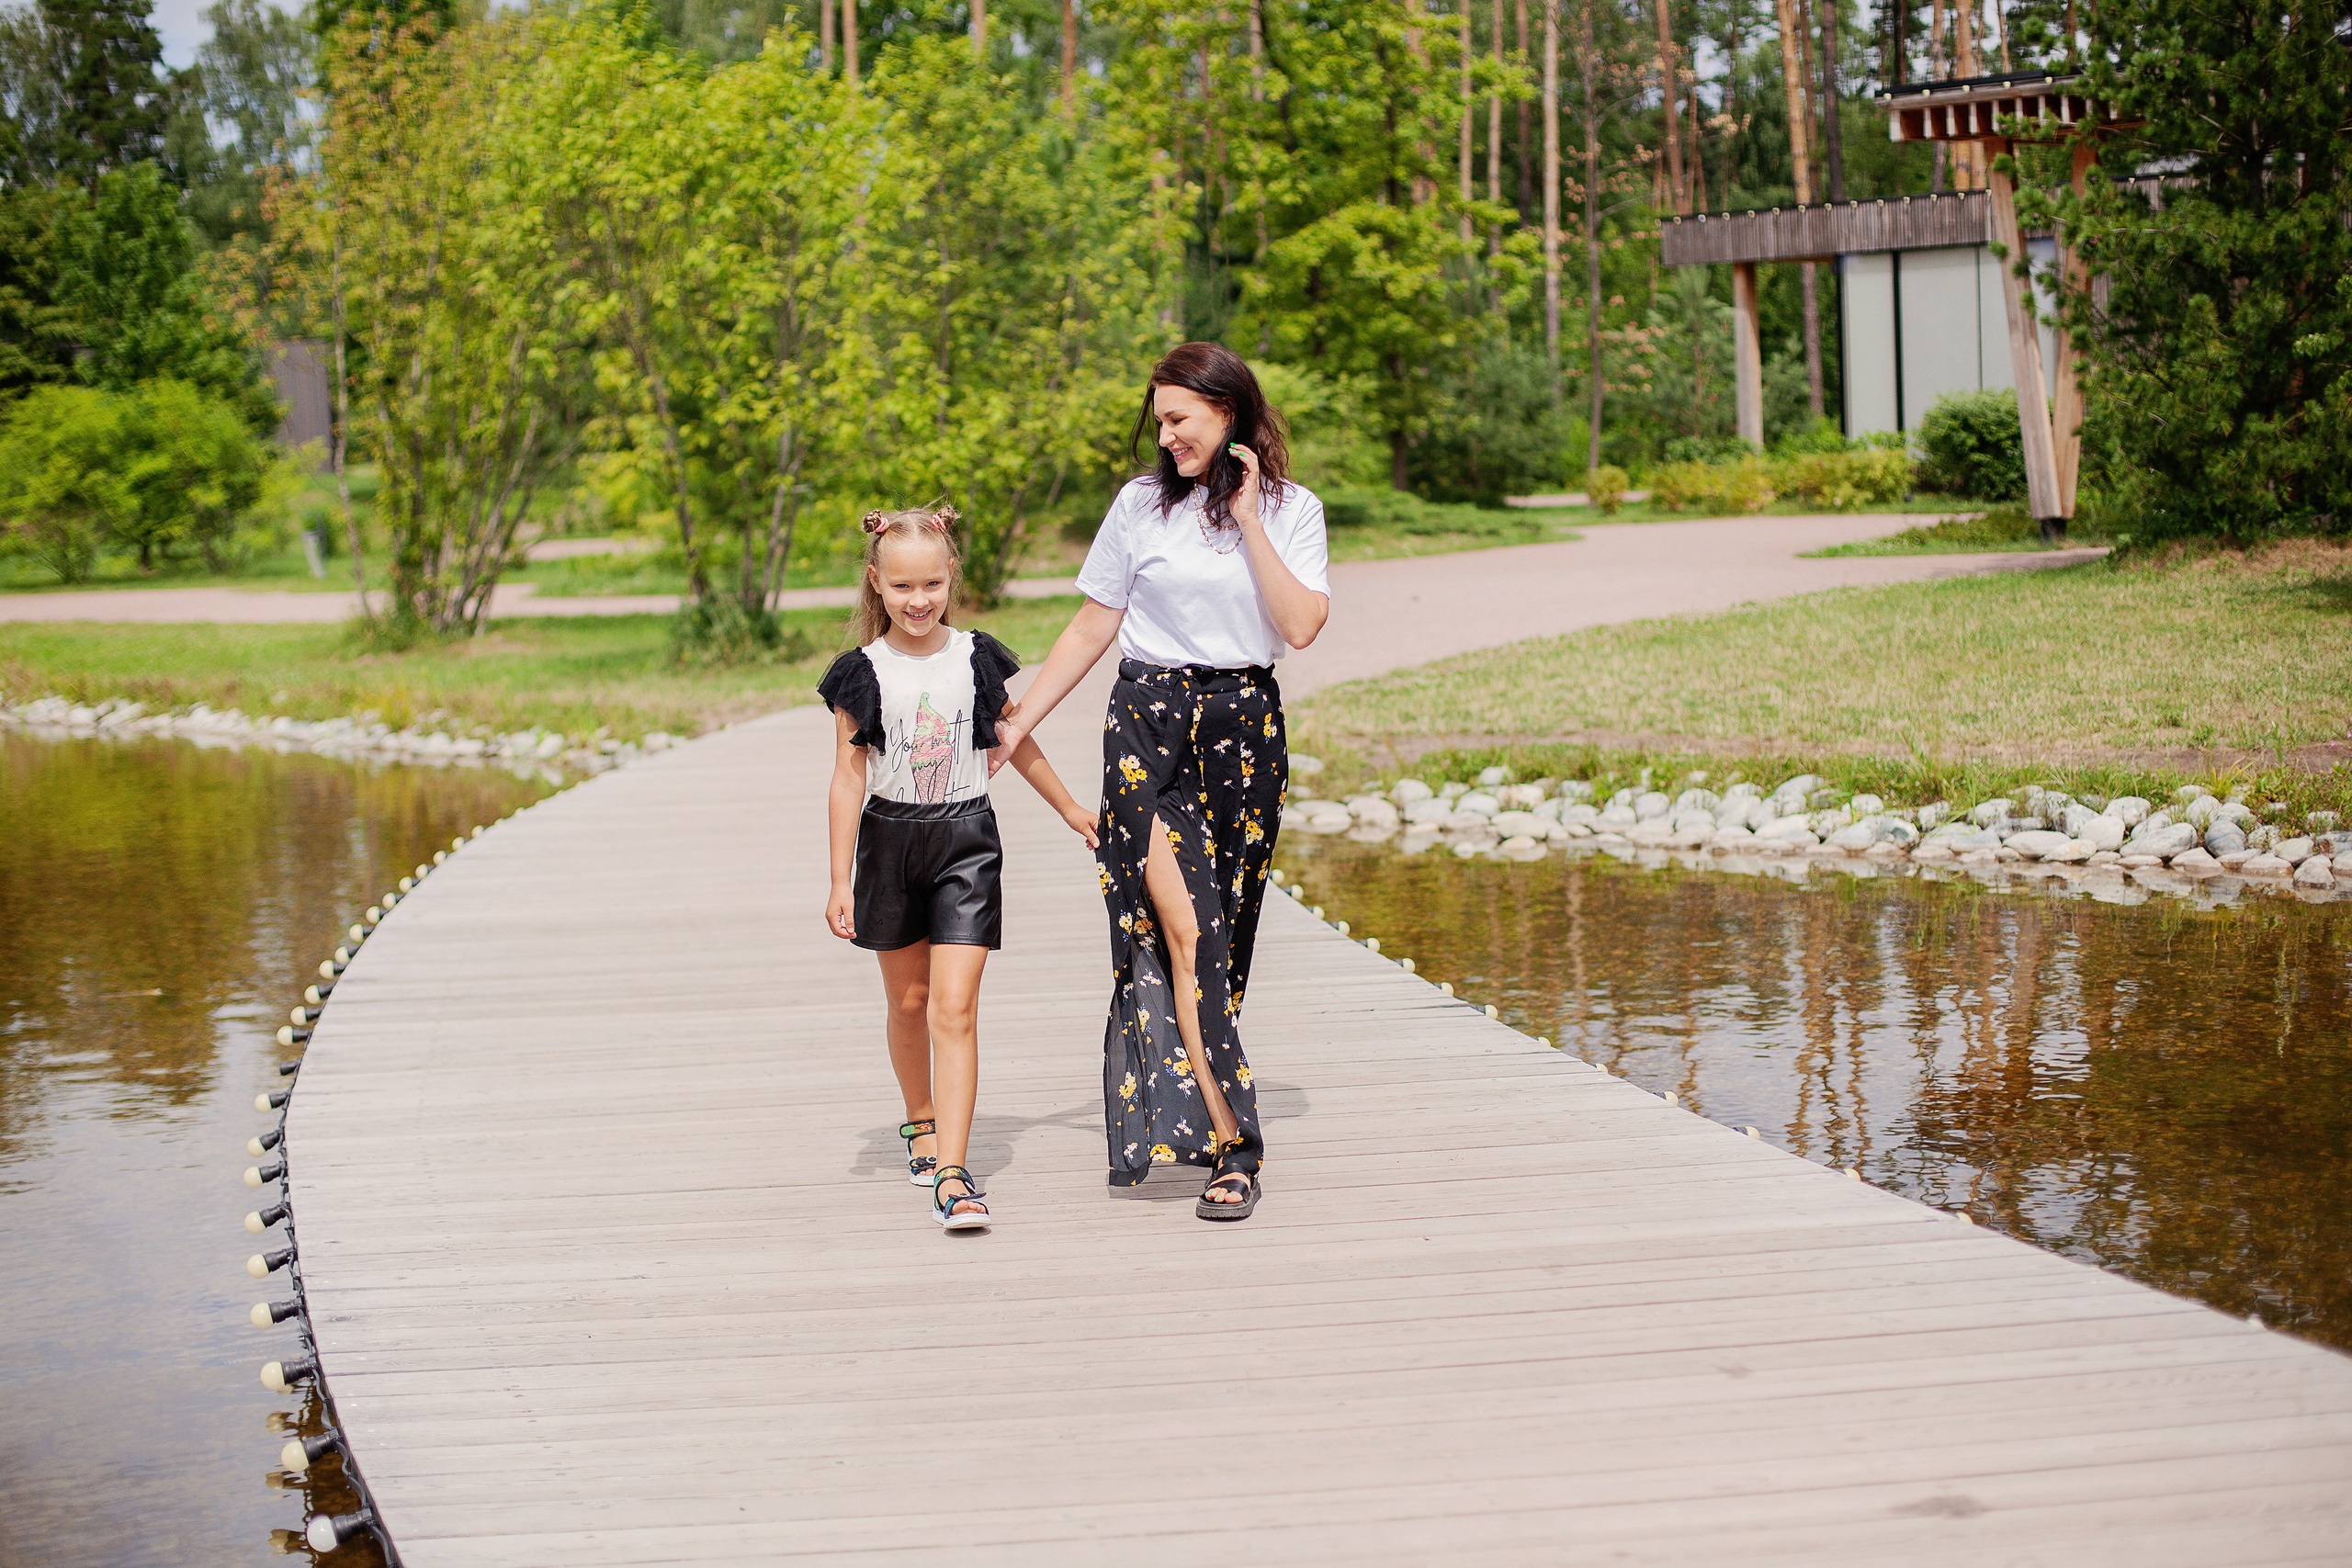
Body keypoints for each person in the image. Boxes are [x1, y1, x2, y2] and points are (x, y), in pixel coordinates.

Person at [989, 343, 1329, 1221]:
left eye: (1180, 418)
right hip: (1147, 729)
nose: (1166, 434)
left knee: (1224, 941)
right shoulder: (1139, 505)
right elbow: (1091, 625)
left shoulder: (1292, 510)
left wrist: (1249, 518)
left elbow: (1300, 625)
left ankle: (1203, 1103)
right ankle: (1236, 1146)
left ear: (1228, 412)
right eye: (1161, 418)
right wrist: (1017, 721)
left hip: (1244, 731)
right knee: (1188, 932)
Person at [820, 504, 1098, 1232]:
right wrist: (840, 878)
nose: (919, 600)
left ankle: (953, 1169)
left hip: (966, 843)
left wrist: (1070, 808)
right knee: (909, 1002)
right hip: (888, 845)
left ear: (952, 578)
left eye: (932, 585)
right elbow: (848, 778)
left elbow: (1014, 739)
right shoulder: (861, 672)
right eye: (902, 586)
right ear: (876, 582)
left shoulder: (976, 658)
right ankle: (920, 1119)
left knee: (954, 1007)